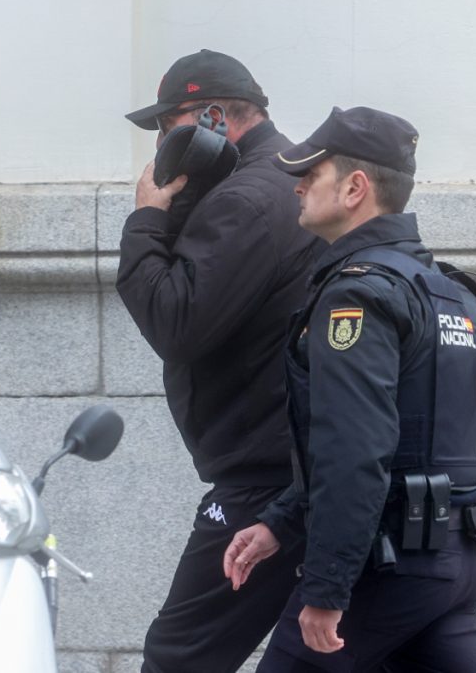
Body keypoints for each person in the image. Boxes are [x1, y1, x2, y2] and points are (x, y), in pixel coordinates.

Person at [222, 106, 476, 672]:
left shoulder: (356, 297)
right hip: (456, 558)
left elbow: (353, 450)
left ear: (356, 187)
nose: (299, 183)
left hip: (388, 568)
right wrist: (280, 522)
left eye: (312, 171)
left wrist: (328, 589)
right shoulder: (442, 289)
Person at [117, 49, 322, 673]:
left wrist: (148, 214)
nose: (159, 145)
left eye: (166, 126)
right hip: (301, 466)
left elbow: (175, 321)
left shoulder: (248, 199)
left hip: (264, 479)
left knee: (180, 654)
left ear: (210, 118)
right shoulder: (286, 179)